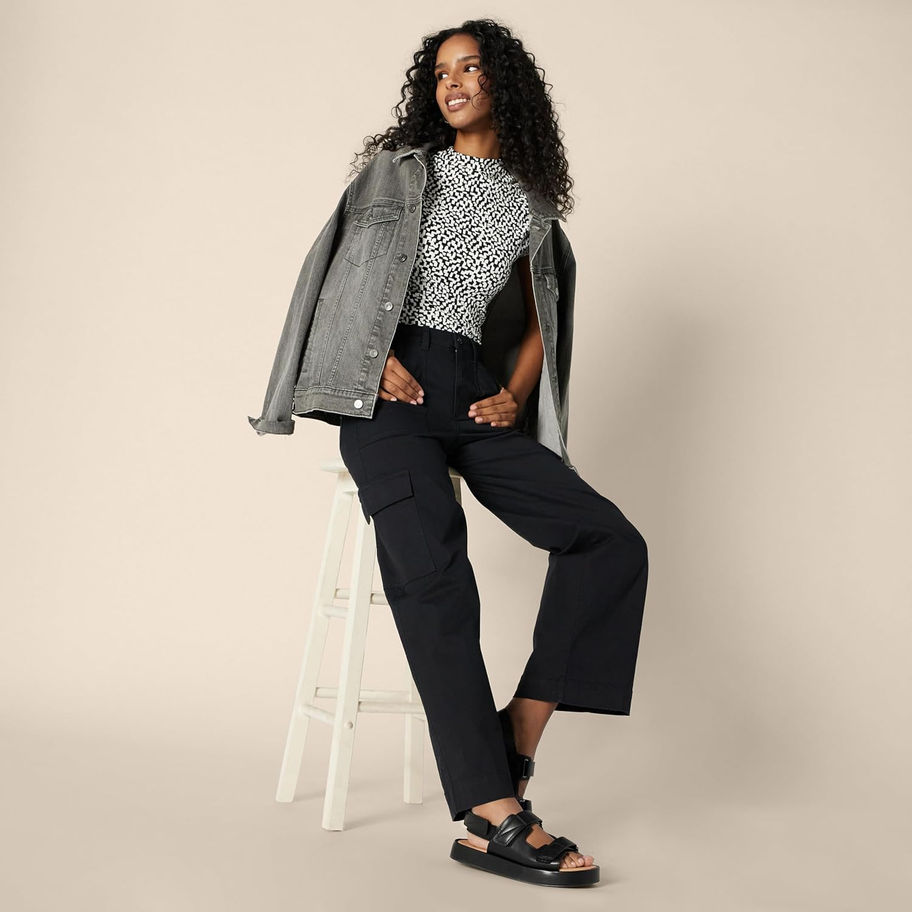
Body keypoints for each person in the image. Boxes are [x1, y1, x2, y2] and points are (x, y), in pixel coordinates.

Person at [249, 18, 648, 888]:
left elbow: (542, 316)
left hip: (469, 389)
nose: (453, 83)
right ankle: (491, 812)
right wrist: (365, 358)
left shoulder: (533, 206)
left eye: (470, 68)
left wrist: (516, 392)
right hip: (387, 391)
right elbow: (336, 275)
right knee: (435, 572)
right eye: (440, 73)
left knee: (611, 541)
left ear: (505, 83)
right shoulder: (399, 171)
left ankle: (517, 733)